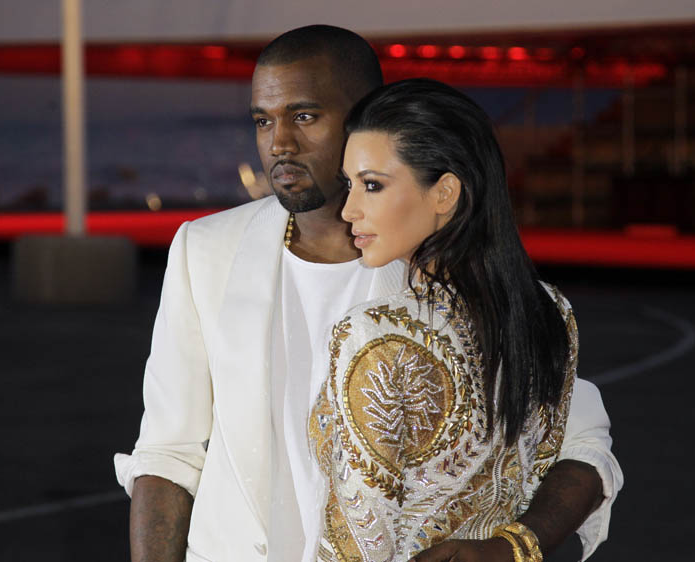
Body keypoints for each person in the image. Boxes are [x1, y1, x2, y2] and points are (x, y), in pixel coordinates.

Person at [114, 25, 622, 562]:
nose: (279, 143)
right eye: (264, 121)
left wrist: (516, 545)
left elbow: (582, 445)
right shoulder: (205, 249)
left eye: (304, 116)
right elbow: (167, 454)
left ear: (363, 116)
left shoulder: (446, 271)